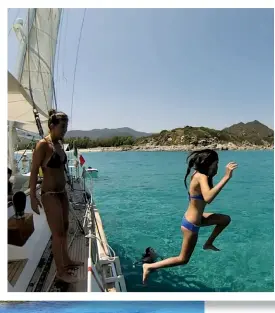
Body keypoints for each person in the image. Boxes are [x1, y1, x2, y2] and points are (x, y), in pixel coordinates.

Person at [142, 149, 237, 284]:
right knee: (183, 259)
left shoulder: (200, 175)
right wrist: (227, 177)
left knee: (225, 219)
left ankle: (208, 243)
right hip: (191, 224)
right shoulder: (201, 177)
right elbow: (208, 198)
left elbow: (205, 194)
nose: (217, 166)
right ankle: (149, 266)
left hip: (197, 218)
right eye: (216, 163)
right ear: (208, 163)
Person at [29, 109, 83, 283]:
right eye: (62, 127)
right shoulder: (42, 145)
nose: (65, 130)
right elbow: (33, 172)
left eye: (66, 127)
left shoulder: (59, 144)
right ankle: (60, 271)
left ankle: (66, 260)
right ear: (52, 126)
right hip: (50, 194)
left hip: (62, 193)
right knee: (57, 234)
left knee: (65, 229)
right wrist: (32, 196)